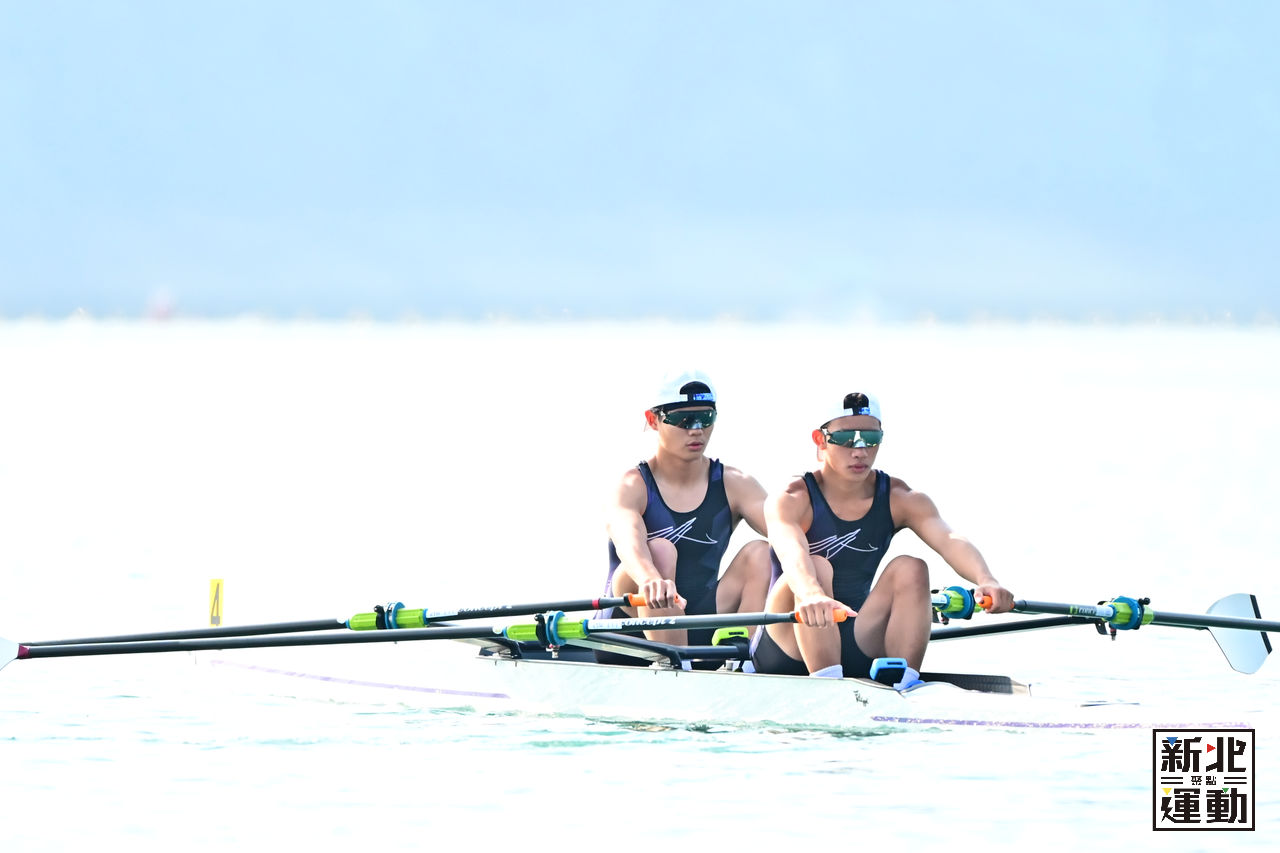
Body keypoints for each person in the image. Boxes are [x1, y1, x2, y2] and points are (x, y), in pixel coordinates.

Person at [750, 390, 1013, 687]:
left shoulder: (900, 497)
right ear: (820, 440)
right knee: (817, 566)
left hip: (858, 636)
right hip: (787, 641)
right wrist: (812, 594)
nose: (860, 451)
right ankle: (828, 683)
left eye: (870, 439)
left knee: (912, 568)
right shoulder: (791, 498)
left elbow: (949, 539)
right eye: (847, 439)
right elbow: (792, 553)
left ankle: (905, 684)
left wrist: (986, 579)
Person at [600, 370, 772, 654]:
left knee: (763, 552)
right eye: (683, 420)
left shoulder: (736, 483)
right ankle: (676, 662)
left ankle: (744, 661)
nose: (696, 430)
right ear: (653, 420)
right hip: (629, 629)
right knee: (660, 550)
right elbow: (627, 541)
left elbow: (793, 537)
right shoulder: (631, 485)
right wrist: (649, 579)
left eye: (706, 418)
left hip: (701, 618)